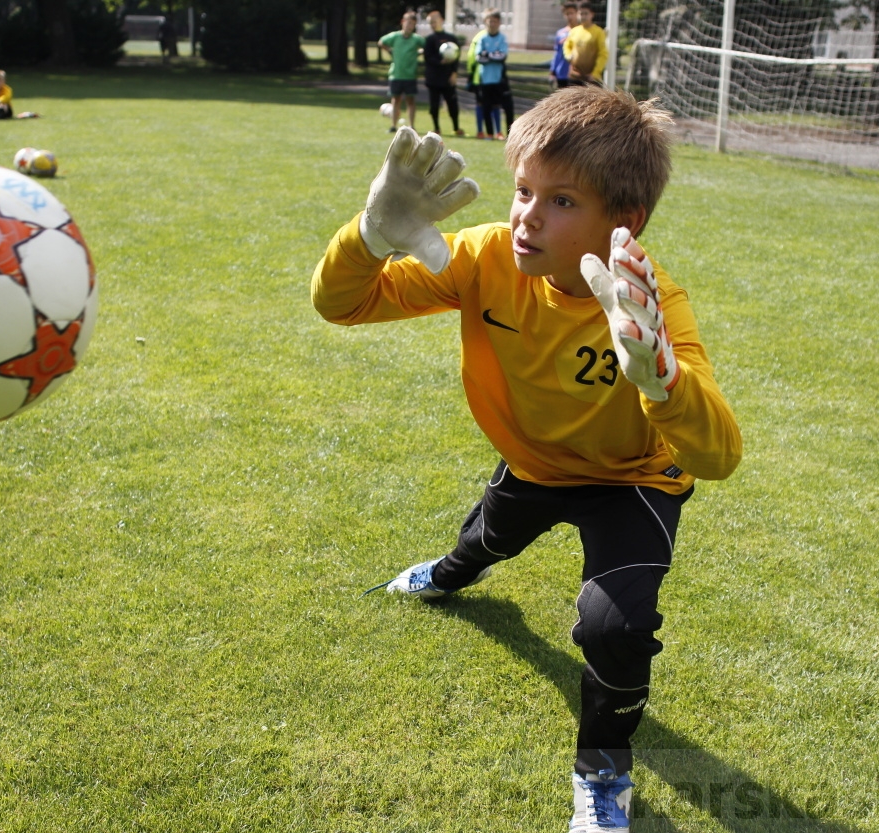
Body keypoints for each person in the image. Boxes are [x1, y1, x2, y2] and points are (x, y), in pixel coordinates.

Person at [312, 86, 742, 833]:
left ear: (624, 222)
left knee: (615, 627)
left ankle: (602, 771)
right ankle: (451, 573)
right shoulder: (484, 257)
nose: (527, 215)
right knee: (483, 543)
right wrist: (370, 234)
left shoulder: (652, 306)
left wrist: (663, 381)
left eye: (562, 200)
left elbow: (719, 454)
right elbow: (343, 304)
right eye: (522, 190)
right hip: (535, 466)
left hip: (629, 482)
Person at [379, 11, 423, 132]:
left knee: (410, 101)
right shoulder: (395, 36)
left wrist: (419, 52)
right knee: (395, 100)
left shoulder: (416, 39)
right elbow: (381, 42)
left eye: (413, 24)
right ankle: (393, 126)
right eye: (408, 23)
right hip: (396, 74)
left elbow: (427, 47)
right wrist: (390, 51)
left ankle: (412, 126)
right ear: (403, 22)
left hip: (410, 75)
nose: (410, 26)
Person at [422, 9, 463, 136]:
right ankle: (436, 128)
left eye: (434, 21)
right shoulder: (429, 39)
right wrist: (440, 62)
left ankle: (456, 128)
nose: (433, 25)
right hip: (433, 78)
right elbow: (428, 57)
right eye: (430, 23)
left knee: (452, 104)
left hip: (447, 78)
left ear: (441, 20)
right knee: (434, 106)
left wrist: (454, 73)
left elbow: (456, 57)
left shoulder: (451, 39)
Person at [475, 8, 509, 140]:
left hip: (498, 78)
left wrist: (487, 54)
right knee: (486, 107)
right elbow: (479, 58)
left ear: (499, 22)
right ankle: (489, 133)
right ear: (485, 22)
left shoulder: (502, 38)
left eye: (495, 21)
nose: (492, 24)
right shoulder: (482, 38)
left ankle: (499, 132)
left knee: (497, 106)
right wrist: (493, 54)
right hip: (485, 79)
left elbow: (502, 56)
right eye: (489, 21)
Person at [563, 1, 608, 86]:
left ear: (592, 14)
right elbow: (567, 46)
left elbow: (603, 54)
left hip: (591, 78)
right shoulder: (574, 31)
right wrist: (568, 55)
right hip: (575, 76)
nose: (583, 17)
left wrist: (595, 72)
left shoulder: (598, 32)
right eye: (581, 14)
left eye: (586, 14)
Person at [549, 1, 581, 89]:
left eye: (571, 13)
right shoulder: (560, 33)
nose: (569, 16)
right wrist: (553, 71)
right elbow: (557, 54)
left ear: (577, 13)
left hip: (577, 74)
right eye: (567, 14)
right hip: (562, 73)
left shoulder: (582, 32)